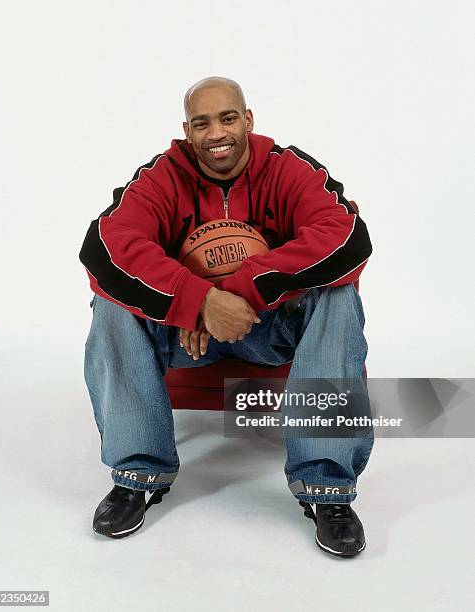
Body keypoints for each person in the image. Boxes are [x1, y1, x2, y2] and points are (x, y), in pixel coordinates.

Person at [79, 76, 374, 557]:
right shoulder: (159, 176)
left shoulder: (288, 168)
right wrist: (195, 302)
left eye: (227, 118)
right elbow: (106, 249)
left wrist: (236, 294)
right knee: (111, 301)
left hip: (270, 328)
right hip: (184, 335)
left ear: (248, 119)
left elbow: (347, 237)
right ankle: (138, 474)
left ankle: (327, 488)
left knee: (338, 296)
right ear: (187, 130)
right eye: (202, 122)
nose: (216, 132)